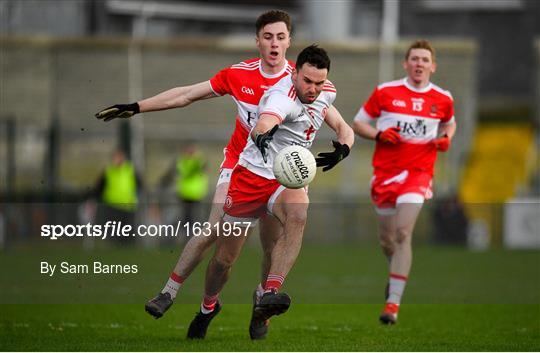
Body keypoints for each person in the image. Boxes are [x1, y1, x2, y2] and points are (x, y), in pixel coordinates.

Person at [95, 10, 294, 337]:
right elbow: (186, 94)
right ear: (257, 40)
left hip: (277, 174)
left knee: (272, 249)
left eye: (281, 37)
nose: (274, 43)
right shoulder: (238, 74)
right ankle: (182, 297)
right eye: (268, 37)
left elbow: (328, 113)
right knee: (217, 243)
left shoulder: (299, 80)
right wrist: (137, 106)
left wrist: (342, 141)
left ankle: (262, 309)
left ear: (289, 40)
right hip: (239, 167)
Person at [185, 45, 354, 340]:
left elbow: (343, 126)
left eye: (318, 82)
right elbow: (265, 121)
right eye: (307, 81)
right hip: (251, 176)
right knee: (224, 260)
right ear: (295, 73)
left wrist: (344, 148)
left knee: (298, 215)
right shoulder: (280, 96)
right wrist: (261, 133)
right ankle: (208, 307)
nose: (313, 89)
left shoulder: (326, 91)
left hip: (286, 179)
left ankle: (268, 294)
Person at [352, 39, 456, 324]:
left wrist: (446, 137)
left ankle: (392, 304)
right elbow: (358, 123)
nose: (419, 63)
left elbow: (450, 122)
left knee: (402, 233)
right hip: (385, 175)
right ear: (406, 64)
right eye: (415, 59)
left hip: (418, 173)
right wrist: (378, 135)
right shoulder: (386, 92)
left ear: (432, 66)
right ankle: (394, 271)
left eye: (425, 59)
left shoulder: (442, 98)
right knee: (387, 240)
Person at [92, 149, 142, 245]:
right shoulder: (108, 171)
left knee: (127, 231)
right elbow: (99, 187)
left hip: (128, 205)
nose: (117, 160)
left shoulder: (130, 169)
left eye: (119, 157)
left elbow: (140, 185)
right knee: (114, 232)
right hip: (112, 205)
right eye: (115, 157)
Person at [160, 143, 209, 227]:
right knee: (186, 217)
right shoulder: (181, 161)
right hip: (184, 193)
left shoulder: (199, 161)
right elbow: (171, 174)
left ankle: (194, 234)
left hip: (197, 193)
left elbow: (203, 168)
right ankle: (188, 235)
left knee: (196, 217)